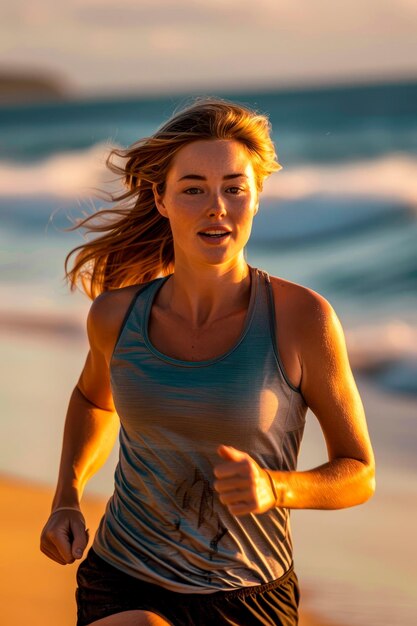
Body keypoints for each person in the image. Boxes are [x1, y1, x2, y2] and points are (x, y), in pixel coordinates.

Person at [40, 97, 376, 626]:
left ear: (256, 198)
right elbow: (92, 398)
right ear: (162, 199)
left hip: (246, 594)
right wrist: (67, 498)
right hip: (120, 576)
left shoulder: (302, 319)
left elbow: (358, 472)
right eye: (193, 188)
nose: (216, 206)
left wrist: (276, 487)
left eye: (234, 189)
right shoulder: (116, 316)